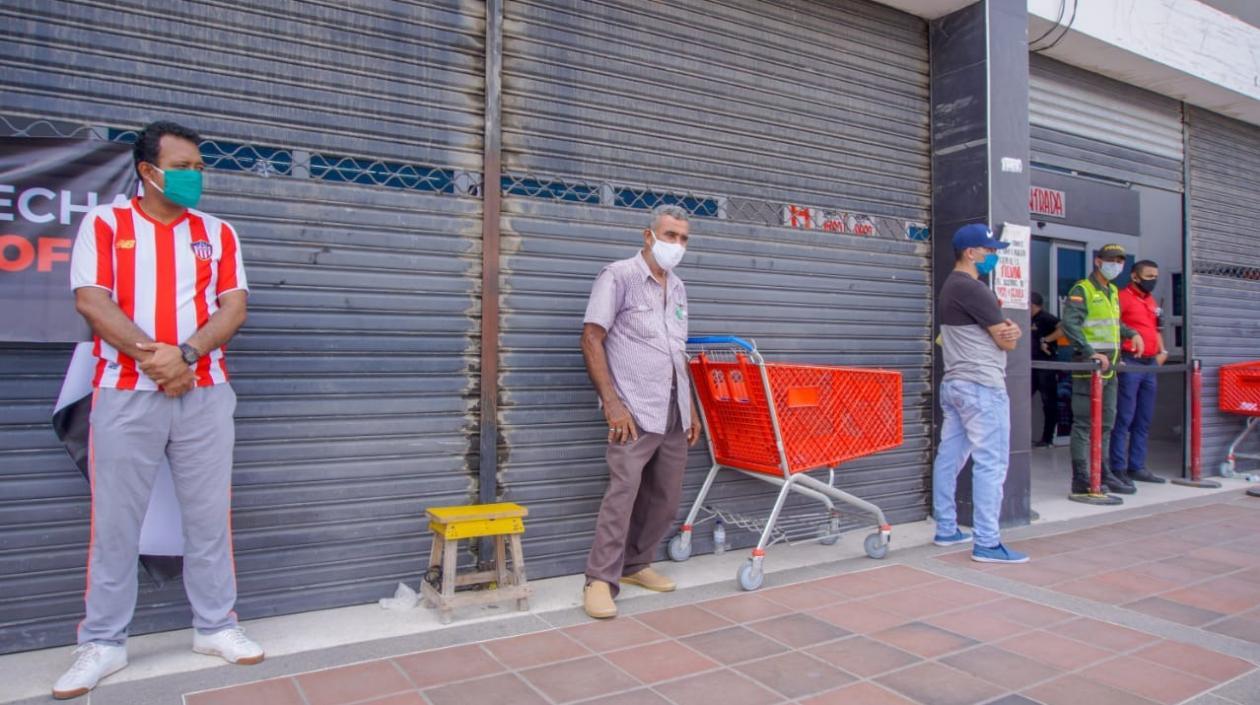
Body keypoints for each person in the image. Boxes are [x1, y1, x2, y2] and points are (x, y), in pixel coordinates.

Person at [55, 121, 261, 699]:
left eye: (199, 166)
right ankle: (102, 642)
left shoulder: (217, 232)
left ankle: (216, 626)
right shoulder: (105, 223)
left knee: (208, 516)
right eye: (185, 166)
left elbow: (233, 307)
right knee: (116, 523)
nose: (197, 175)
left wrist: (188, 354)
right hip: (123, 393)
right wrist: (158, 360)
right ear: (148, 172)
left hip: (205, 392)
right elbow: (92, 301)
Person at [580, 204, 702, 619]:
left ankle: (635, 565)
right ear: (648, 236)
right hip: (633, 408)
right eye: (670, 236)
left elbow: (678, 352)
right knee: (623, 495)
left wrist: (692, 409)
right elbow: (591, 338)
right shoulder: (619, 277)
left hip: (674, 409)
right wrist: (612, 404)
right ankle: (599, 579)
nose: (677, 245)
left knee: (665, 498)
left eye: (683, 238)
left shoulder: (680, 288)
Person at [932, 224, 1028, 564]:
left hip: (956, 384)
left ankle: (946, 528)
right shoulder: (974, 289)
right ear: (970, 252)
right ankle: (987, 542)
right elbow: (1008, 340)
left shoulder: (949, 288)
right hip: (982, 387)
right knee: (992, 462)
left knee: (950, 456)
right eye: (989, 251)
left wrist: (1005, 332)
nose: (993, 256)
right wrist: (1011, 333)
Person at [1060, 244, 1145, 497]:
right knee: (1084, 424)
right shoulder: (1082, 290)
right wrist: (1089, 352)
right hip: (1089, 369)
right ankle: (1082, 477)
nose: (1116, 265)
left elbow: (1113, 323)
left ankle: (1103, 471)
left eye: (1120, 261)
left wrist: (1133, 333)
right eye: (1111, 260)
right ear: (1098, 261)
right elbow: (1070, 324)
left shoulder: (1113, 291)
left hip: (1110, 370)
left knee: (1106, 423)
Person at [1111, 260, 1169, 484]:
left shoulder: (1150, 300)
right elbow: (1113, 328)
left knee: (1143, 419)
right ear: (1135, 276)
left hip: (1150, 364)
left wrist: (1162, 351)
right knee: (1124, 417)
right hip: (1130, 361)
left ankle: (1137, 466)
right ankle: (1118, 468)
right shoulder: (1121, 297)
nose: (1153, 280)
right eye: (1149, 276)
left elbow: (1153, 329)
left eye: (1156, 275)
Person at [1030, 292, 1061, 447]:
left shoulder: (1045, 317)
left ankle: (1047, 438)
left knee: (1049, 402)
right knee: (1021, 399)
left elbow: (1063, 329)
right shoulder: (1029, 319)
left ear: (1034, 305)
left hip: (1046, 366)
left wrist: (1046, 340)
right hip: (1031, 366)